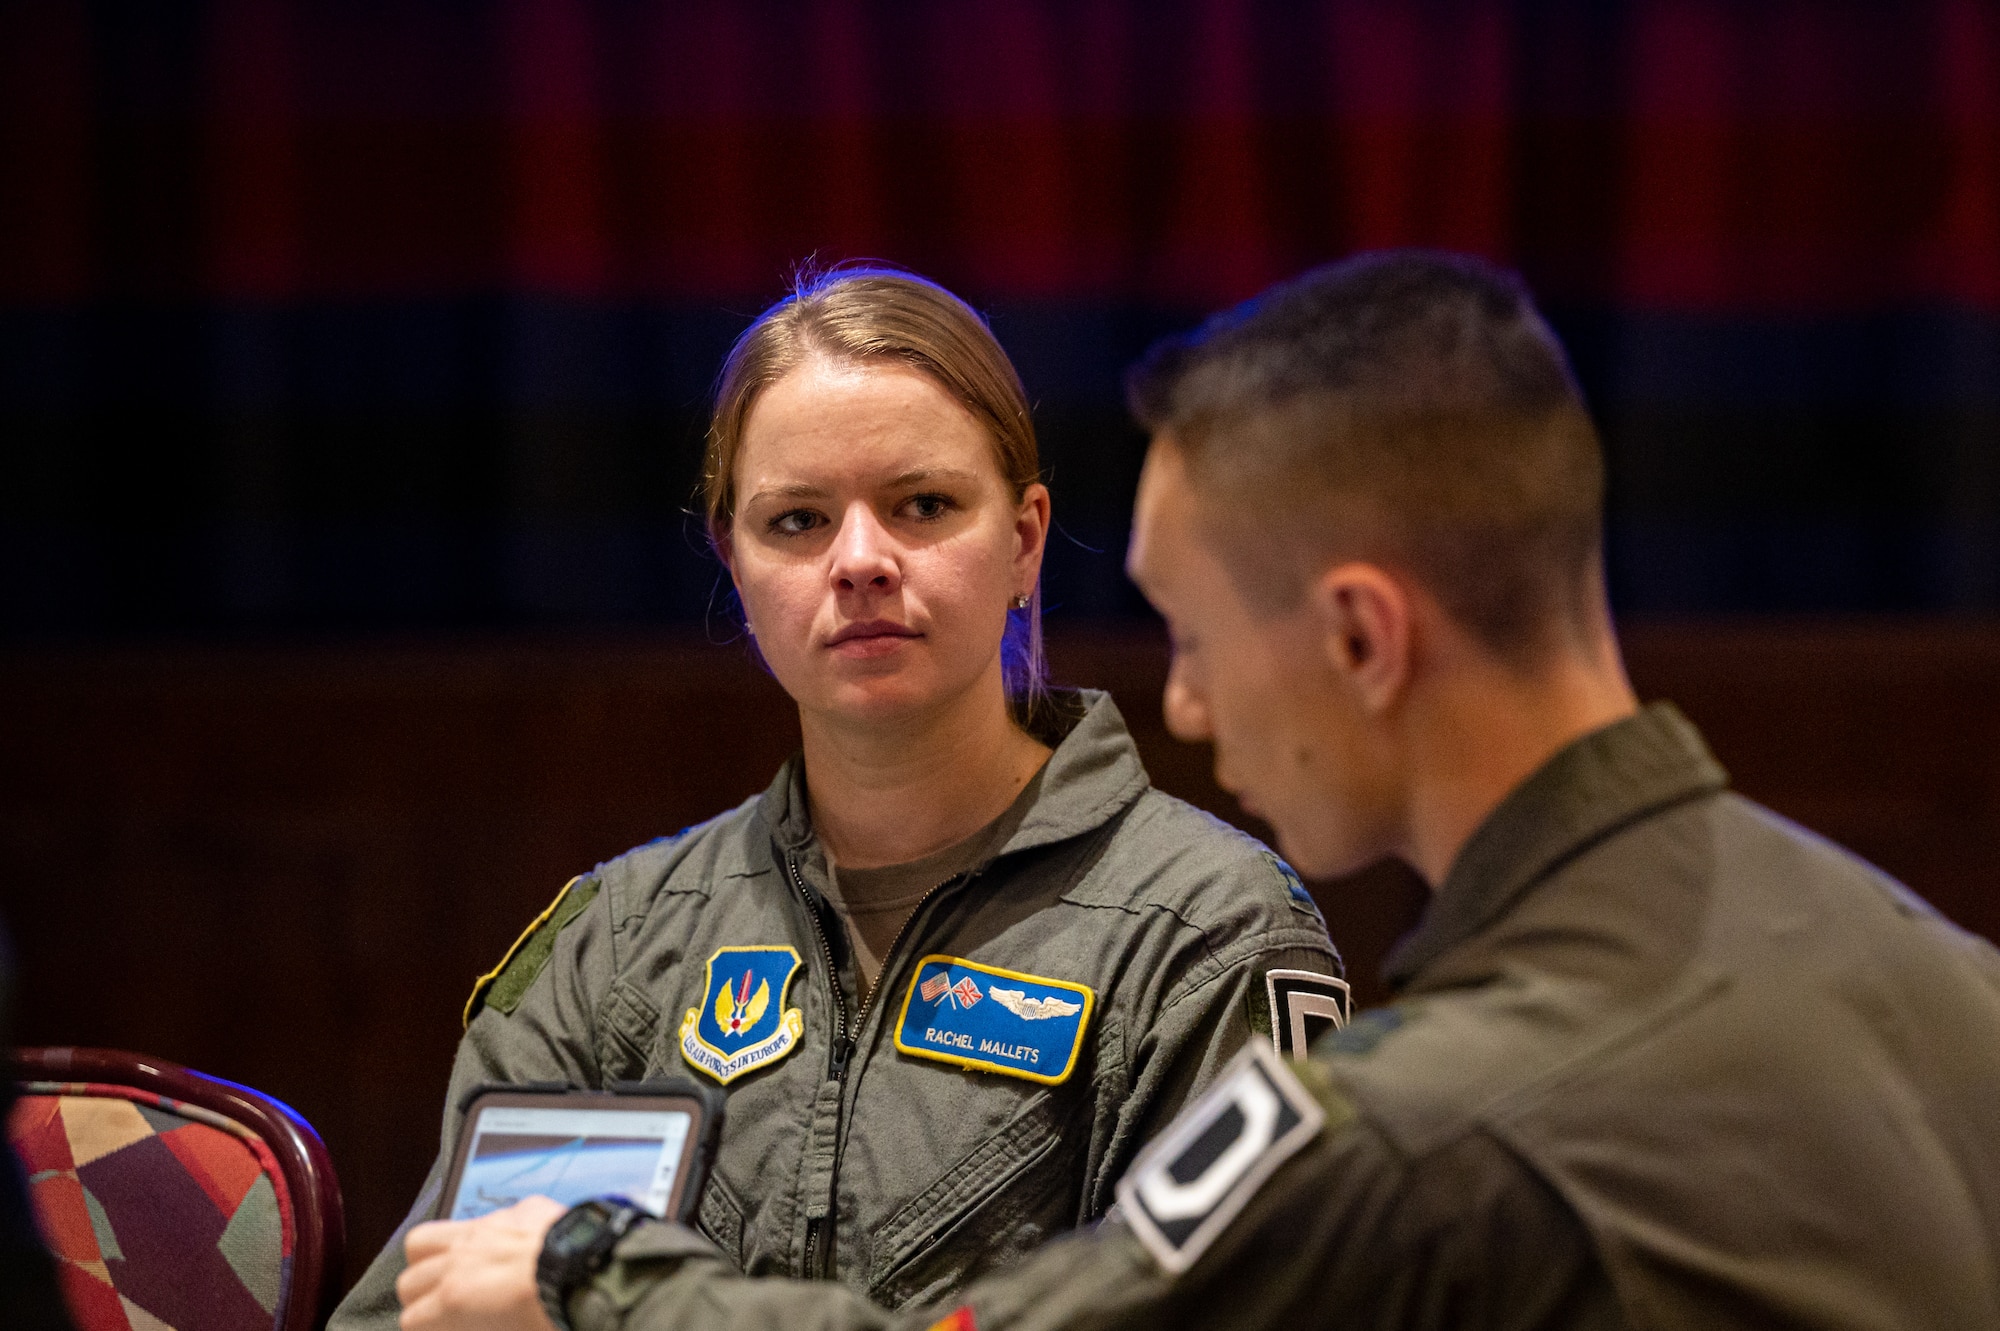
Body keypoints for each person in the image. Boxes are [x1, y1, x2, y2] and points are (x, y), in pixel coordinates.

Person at [393, 249, 2000, 1331]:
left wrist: (601, 1271)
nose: (1181, 695)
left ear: (1361, 633)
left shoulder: (1406, 1109)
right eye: (795, 521)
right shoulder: (1945, 972)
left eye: (1199, 627)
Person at [331, 264, 1342, 1330]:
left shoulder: (1206, 936)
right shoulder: (617, 946)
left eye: (921, 505)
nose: (859, 559)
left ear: (1024, 539)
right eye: (798, 520)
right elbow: (417, 1312)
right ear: (732, 558)